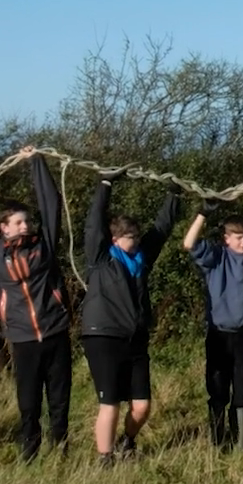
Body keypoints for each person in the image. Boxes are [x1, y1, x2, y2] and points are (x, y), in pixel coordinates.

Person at [0, 146, 73, 462]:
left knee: (60, 398)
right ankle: (29, 453)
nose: (25, 226)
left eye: (27, 221)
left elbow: (51, 204)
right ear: (3, 228)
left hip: (55, 331)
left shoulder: (44, 245)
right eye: (18, 222)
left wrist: (36, 162)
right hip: (22, 338)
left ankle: (61, 451)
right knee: (29, 402)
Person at [79, 171, 177, 466]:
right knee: (110, 403)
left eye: (135, 237)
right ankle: (105, 458)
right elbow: (94, 222)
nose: (134, 242)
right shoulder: (100, 258)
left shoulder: (141, 259)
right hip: (103, 336)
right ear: (115, 238)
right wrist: (105, 184)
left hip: (135, 338)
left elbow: (160, 230)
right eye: (128, 238)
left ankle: (128, 441)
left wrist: (174, 195)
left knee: (142, 406)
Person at [182, 203, 243, 448]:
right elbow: (189, 243)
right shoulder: (216, 258)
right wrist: (203, 213)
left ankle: (240, 444)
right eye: (238, 238)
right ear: (226, 239)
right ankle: (218, 443)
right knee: (218, 390)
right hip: (219, 336)